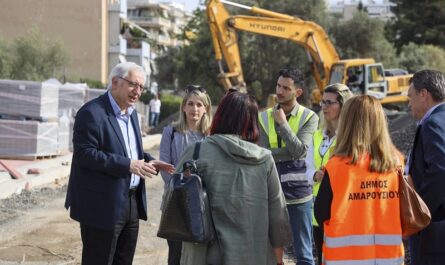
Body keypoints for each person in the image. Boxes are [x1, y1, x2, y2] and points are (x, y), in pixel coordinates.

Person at [64, 62, 175, 265]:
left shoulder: (131, 114)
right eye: (133, 84)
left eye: (141, 87)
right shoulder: (92, 113)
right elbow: (85, 154)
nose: (138, 91)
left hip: (131, 203)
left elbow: (128, 151)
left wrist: (149, 160)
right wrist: (128, 165)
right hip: (102, 205)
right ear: (115, 82)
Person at [175, 91, 291, 265]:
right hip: (253, 254)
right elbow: (277, 215)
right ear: (252, 122)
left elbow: (174, 205)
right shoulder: (265, 159)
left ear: (220, 116)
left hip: (203, 255)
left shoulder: (196, 152)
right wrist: (278, 257)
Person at [314, 95, 404, 264]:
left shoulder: (336, 166)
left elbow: (321, 213)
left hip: (345, 259)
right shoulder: (396, 163)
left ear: (348, 122)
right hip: (389, 258)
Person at [259, 68, 318, 265]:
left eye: (286, 88)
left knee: (304, 255)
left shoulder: (310, 117)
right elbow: (262, 152)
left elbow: (300, 152)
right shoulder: (263, 117)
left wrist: (283, 125)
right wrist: (287, 152)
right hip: (271, 193)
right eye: (278, 86)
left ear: (298, 92)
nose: (280, 91)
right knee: (271, 254)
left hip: (299, 195)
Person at [159, 85, 212, 265]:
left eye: (199, 104)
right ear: (183, 107)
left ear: (206, 109)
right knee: (176, 256)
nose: (194, 109)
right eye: (190, 104)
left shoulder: (212, 135)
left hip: (204, 204)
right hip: (176, 204)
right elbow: (166, 167)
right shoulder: (171, 132)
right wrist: (184, 188)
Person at [304, 83, 353, 265]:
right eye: (323, 102)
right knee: (322, 260)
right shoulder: (316, 136)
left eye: (330, 103)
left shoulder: (350, 138)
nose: (324, 106)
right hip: (319, 212)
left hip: (343, 210)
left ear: (343, 105)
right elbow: (305, 168)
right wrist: (314, 175)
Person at [406, 69, 445, 265]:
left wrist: (421, 210)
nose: (409, 103)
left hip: (435, 226)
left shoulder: (433, 123)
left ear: (424, 94)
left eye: (410, 97)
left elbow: (440, 169)